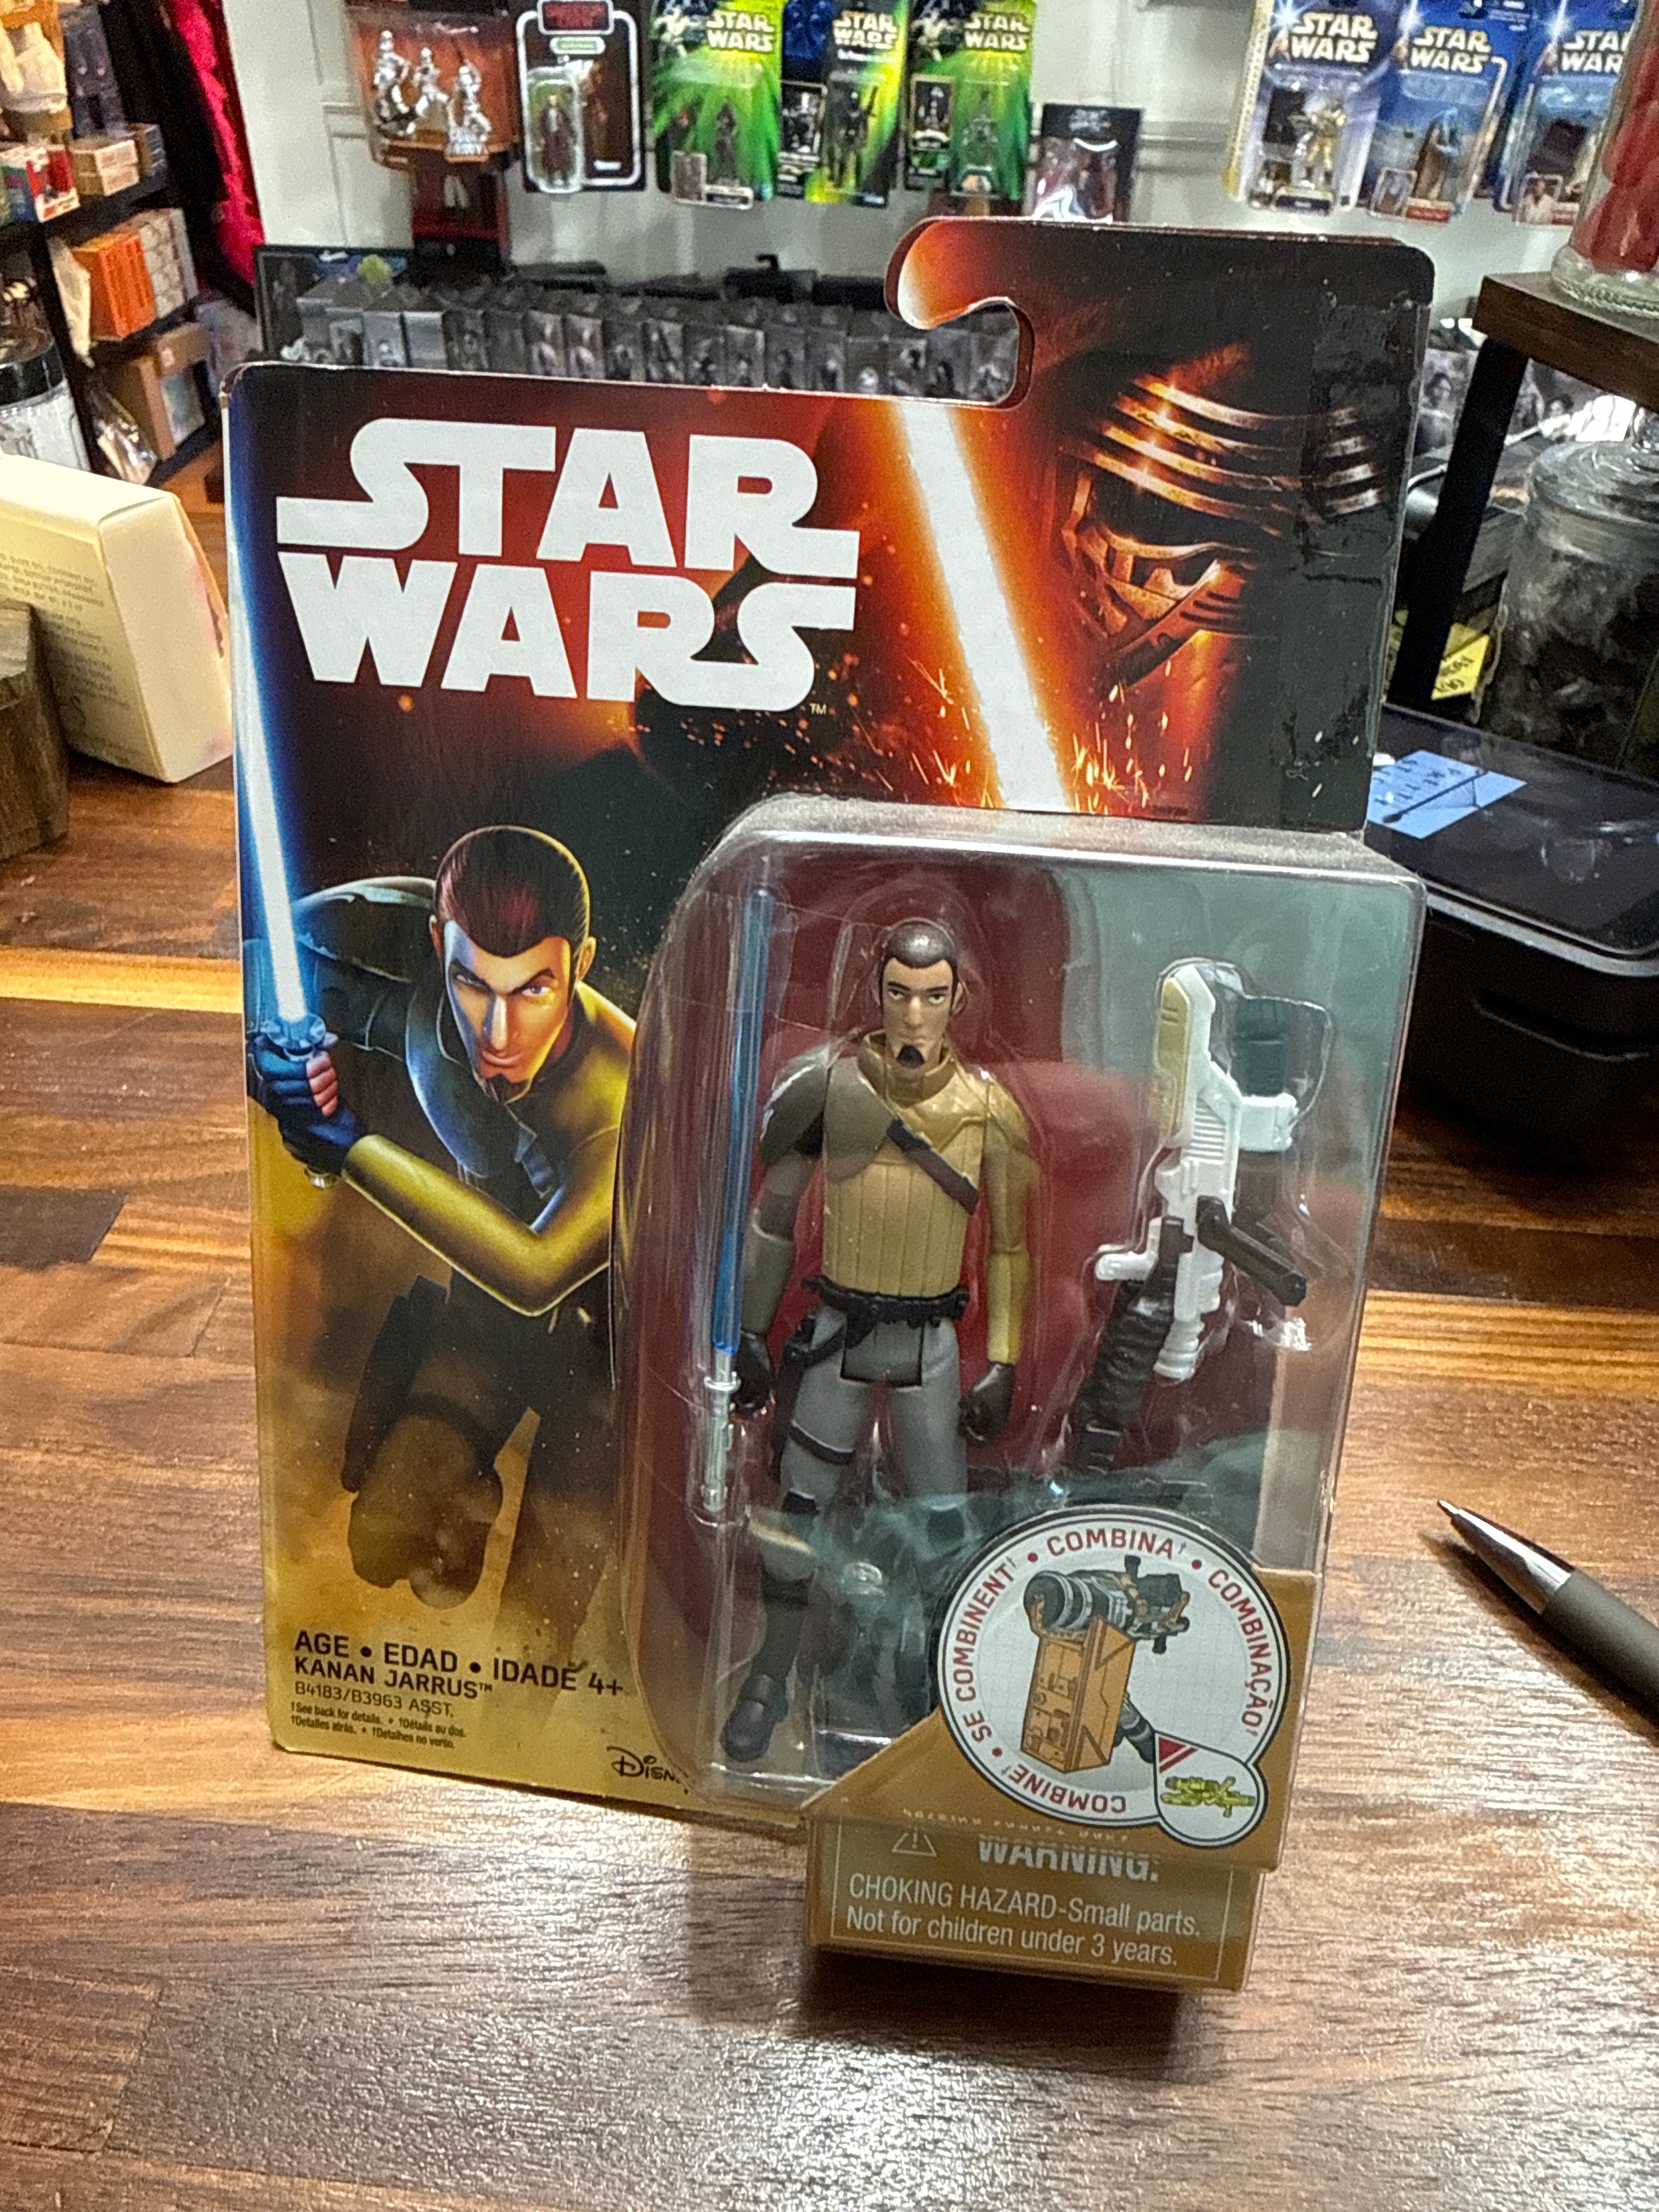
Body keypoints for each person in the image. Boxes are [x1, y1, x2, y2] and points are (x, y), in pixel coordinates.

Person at [249, 827, 633, 1639]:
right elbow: (255, 967)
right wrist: (272, 1065)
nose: (499, 1034)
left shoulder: (620, 1092)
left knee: (532, 1647)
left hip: (612, 1364)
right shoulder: (391, 941)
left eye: (534, 990)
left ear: (582, 965)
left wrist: (350, 1150)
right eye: (472, 984)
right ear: (437, 944)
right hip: (482, 1331)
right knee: (384, 1534)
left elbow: (536, 1270)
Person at [721, 917, 1036, 1762]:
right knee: (801, 1507)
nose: (915, 1014)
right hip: (840, 1335)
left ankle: (940, 1677)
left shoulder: (988, 1112)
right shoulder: (828, 1091)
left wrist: (1003, 1363)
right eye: (900, 993)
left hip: (931, 1344)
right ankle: (770, 1671)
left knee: (942, 1524)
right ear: (877, 992)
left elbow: (1011, 1248)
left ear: (959, 1000)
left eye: (932, 996)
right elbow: (772, 1220)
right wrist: (749, 1330)